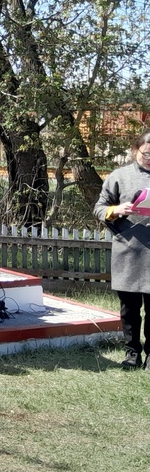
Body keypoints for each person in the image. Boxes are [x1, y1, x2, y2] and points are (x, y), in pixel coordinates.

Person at [93, 129, 150, 369]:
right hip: (129, 251)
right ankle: (132, 353)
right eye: (147, 153)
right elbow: (98, 208)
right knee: (130, 308)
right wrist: (115, 211)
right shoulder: (119, 176)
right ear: (136, 149)